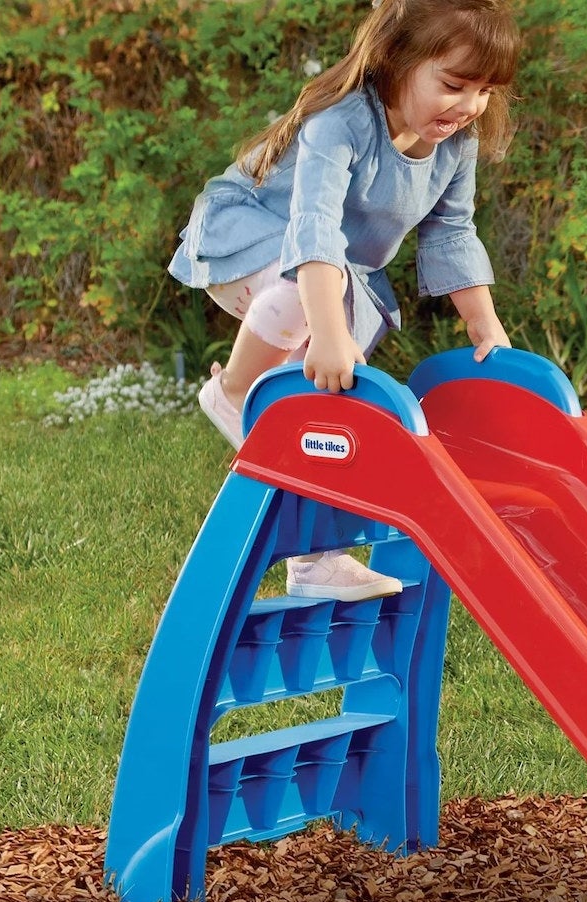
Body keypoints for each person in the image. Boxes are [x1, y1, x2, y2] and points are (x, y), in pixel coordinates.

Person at [169, 0, 517, 601]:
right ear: (397, 61)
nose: (469, 106)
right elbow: (314, 229)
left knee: (319, 410)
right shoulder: (342, 123)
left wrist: (484, 325)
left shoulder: (454, 146)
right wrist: (330, 333)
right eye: (454, 85)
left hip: (334, 274)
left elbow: (452, 231)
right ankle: (233, 392)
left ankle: (315, 563)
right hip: (249, 236)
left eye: (484, 91)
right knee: (310, 310)